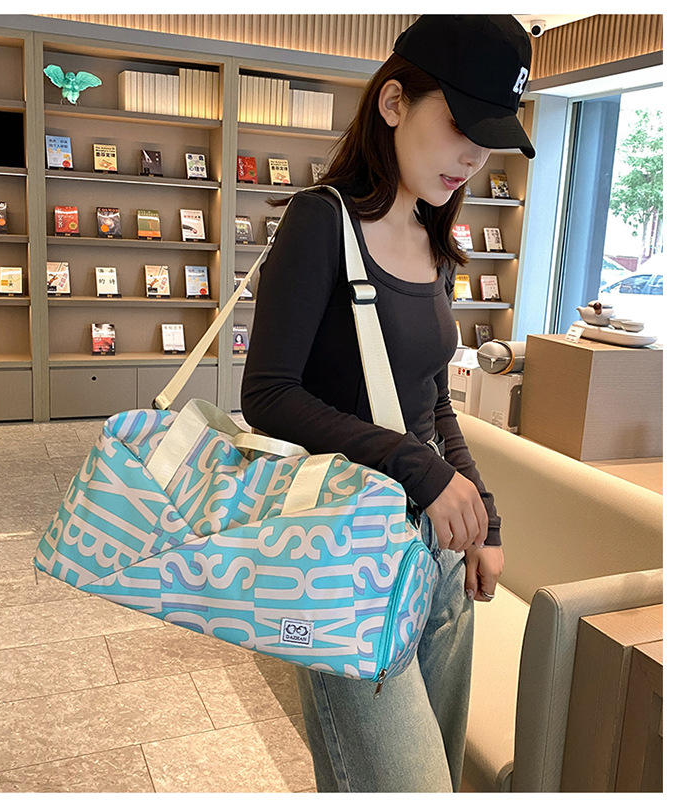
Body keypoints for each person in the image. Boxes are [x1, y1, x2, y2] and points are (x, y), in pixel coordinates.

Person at [241, 14, 535, 793]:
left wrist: (482, 518)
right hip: (346, 554)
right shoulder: (321, 221)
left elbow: (434, 401)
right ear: (395, 102)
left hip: (438, 552)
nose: (473, 156)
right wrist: (421, 470)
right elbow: (267, 393)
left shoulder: (433, 238)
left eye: (490, 138)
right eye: (461, 125)